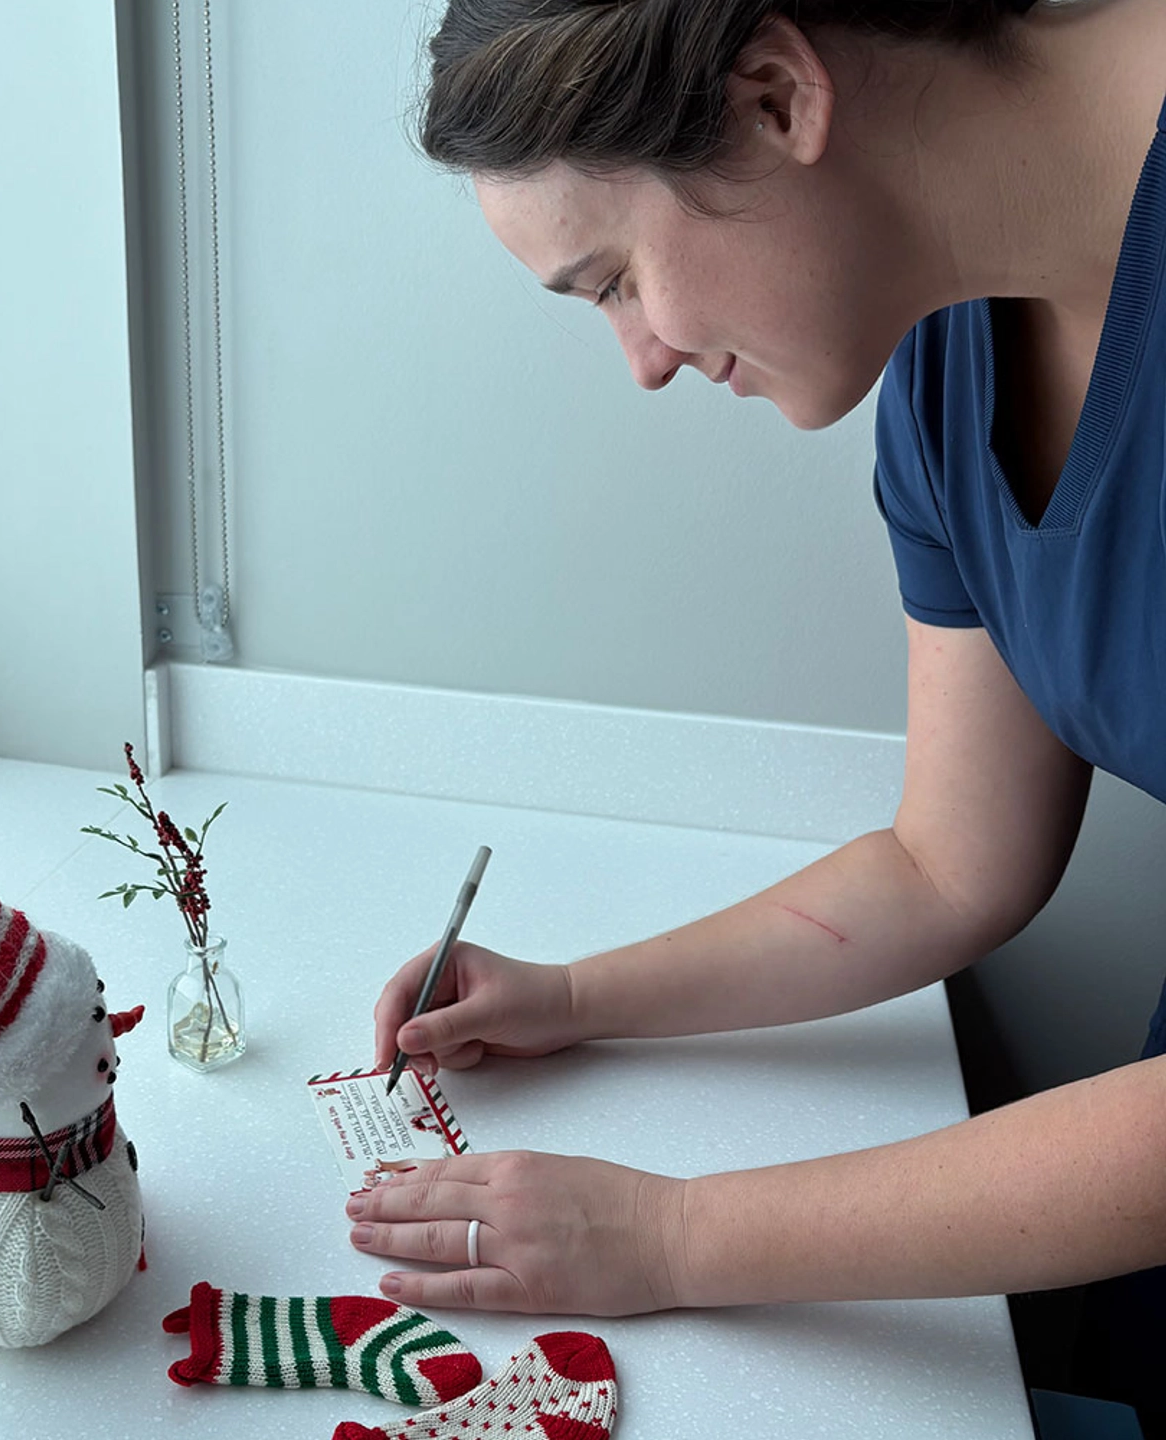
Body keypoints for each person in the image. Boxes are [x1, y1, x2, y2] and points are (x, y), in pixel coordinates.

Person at [344, 0, 1166, 1424]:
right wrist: (575, 999)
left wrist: (673, 1237)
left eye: (615, 281)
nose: (643, 360)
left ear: (777, 97)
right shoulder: (946, 361)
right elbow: (950, 864)